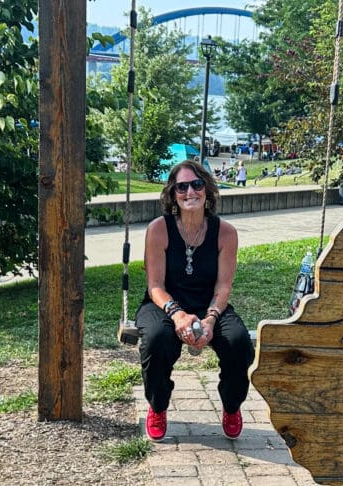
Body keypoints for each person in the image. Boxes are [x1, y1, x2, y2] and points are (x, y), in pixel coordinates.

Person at [136, 160, 253, 441]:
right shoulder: (158, 229)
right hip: (163, 304)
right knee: (157, 340)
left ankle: (231, 405)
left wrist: (211, 318)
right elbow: (155, 285)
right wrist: (178, 315)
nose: (190, 192)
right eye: (182, 186)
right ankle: (159, 405)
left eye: (197, 184)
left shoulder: (225, 233)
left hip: (209, 303)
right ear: (173, 194)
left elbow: (224, 286)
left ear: (208, 190)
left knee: (239, 343)